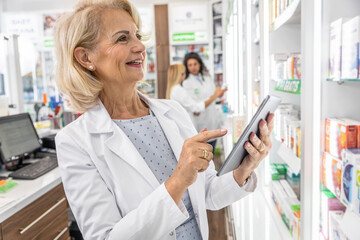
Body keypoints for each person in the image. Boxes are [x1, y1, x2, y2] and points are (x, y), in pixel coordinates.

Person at [54, 0, 275, 239]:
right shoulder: (74, 142)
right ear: (86, 57)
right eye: (122, 38)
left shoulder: (173, 112)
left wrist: (244, 169)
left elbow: (207, 192)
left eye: (137, 36)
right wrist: (178, 180)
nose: (140, 46)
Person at [182, 52, 226, 151]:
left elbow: (215, 97)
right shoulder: (186, 83)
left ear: (200, 64)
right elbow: (196, 106)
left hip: (213, 119)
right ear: (186, 67)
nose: (193, 67)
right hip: (200, 122)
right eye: (190, 65)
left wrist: (220, 95)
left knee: (212, 151)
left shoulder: (207, 78)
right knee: (204, 154)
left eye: (195, 64)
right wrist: (215, 96)